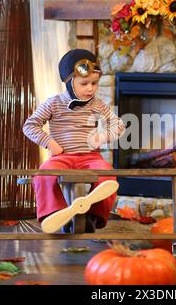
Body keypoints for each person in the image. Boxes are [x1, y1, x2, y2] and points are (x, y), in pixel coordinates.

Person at [23, 49, 125, 233]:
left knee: (108, 175)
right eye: (84, 83)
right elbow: (30, 125)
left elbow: (118, 125)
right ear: (70, 83)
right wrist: (50, 143)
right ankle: (57, 214)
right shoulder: (53, 103)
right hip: (62, 157)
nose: (90, 88)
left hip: (90, 157)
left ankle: (93, 217)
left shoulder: (97, 104)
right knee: (43, 175)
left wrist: (103, 136)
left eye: (94, 83)